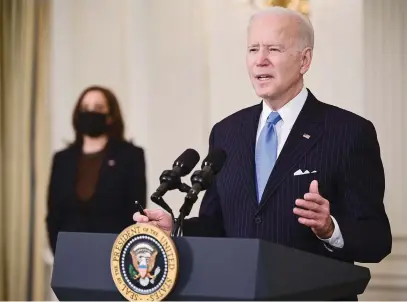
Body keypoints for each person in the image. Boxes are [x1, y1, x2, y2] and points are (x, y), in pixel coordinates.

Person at [134, 7, 391, 265]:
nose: (260, 60)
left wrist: (330, 229)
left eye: (274, 49)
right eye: (253, 49)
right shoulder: (227, 132)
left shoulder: (349, 132)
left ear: (304, 60)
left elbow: (377, 239)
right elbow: (218, 225)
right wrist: (177, 229)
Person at [46, 85, 146, 254]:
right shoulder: (62, 159)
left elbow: (135, 211)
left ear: (110, 116)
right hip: (69, 253)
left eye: (98, 108)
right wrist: (58, 250)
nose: (91, 112)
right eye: (85, 108)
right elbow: (53, 213)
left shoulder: (130, 156)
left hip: (113, 254)